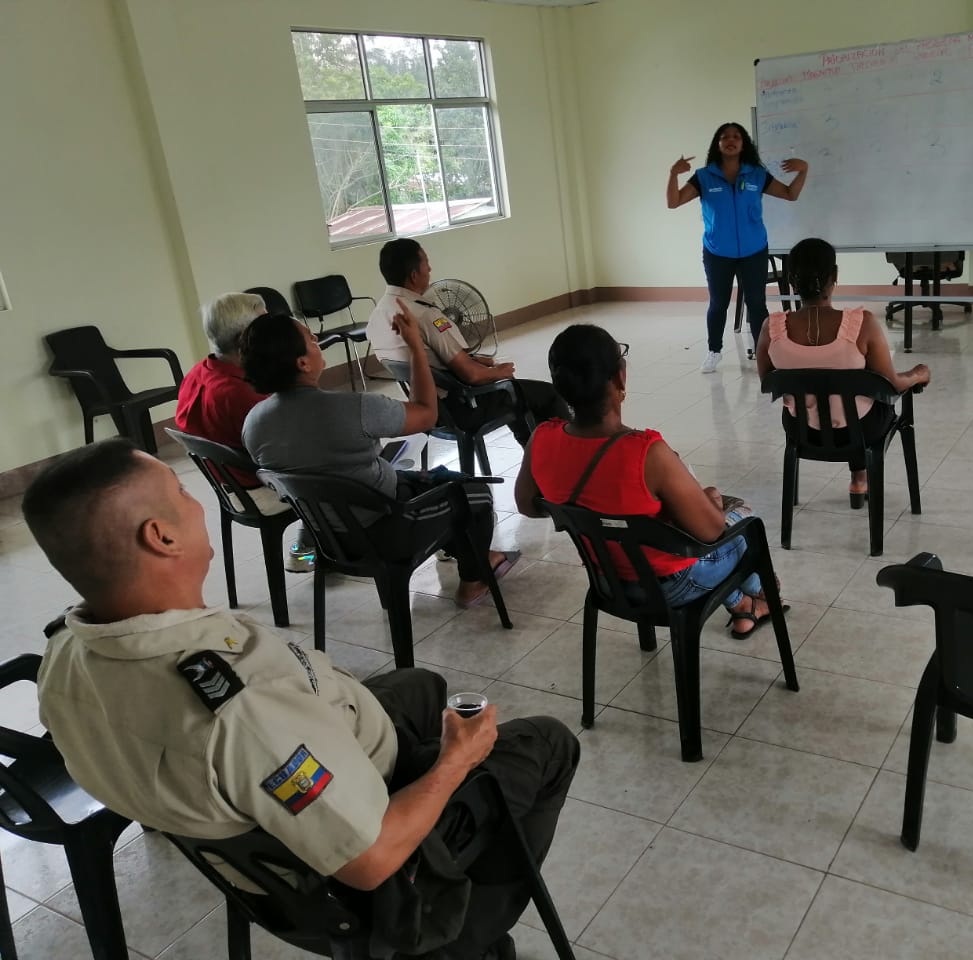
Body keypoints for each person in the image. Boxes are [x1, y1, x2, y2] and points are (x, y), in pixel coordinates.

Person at [26, 439, 578, 960]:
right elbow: (369, 860)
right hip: (356, 862)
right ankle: (470, 927)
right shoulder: (243, 708)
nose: (196, 502)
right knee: (547, 744)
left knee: (421, 686)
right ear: (161, 537)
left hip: (284, 777)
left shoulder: (65, 652)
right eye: (182, 490)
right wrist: (455, 761)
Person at [514, 324, 786, 639]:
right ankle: (766, 594)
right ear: (620, 377)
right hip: (671, 587)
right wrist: (711, 500)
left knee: (685, 520)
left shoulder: (541, 439)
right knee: (743, 518)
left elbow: (527, 505)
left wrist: (587, 512)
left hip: (607, 581)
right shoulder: (647, 454)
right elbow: (711, 533)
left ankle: (743, 606)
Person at [240, 310, 517, 609]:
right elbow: (426, 414)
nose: (317, 338)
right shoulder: (353, 408)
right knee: (474, 493)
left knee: (437, 480)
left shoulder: (253, 424)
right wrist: (415, 347)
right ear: (302, 363)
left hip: (324, 537)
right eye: (311, 339)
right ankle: (472, 583)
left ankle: (478, 555)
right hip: (385, 529)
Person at [756, 238, 930, 508]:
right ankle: (859, 478)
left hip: (802, 431)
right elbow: (891, 384)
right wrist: (918, 374)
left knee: (845, 396)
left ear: (791, 280)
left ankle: (859, 479)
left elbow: (768, 381)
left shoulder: (772, 328)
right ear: (835, 275)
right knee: (868, 398)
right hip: (862, 430)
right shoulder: (862, 324)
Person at [365, 238, 569, 446]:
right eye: (426, 263)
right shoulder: (424, 315)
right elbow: (471, 375)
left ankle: (535, 451)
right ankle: (560, 453)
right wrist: (499, 372)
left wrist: (473, 359)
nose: (430, 269)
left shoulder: (376, 318)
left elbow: (430, 360)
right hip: (462, 407)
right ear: (414, 275)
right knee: (545, 394)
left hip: (425, 410)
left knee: (512, 390)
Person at [175, 291, 315, 572]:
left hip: (231, 483)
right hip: (256, 487)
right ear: (244, 339)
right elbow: (292, 453)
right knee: (339, 473)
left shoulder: (200, 372)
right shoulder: (240, 392)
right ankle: (308, 552)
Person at [666, 122, 809, 373]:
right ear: (718, 144)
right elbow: (673, 202)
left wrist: (803, 170)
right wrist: (673, 174)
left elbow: (790, 194)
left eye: (736, 137)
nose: (731, 140)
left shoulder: (757, 175)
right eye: (725, 137)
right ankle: (714, 351)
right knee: (718, 303)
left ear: (744, 144)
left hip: (754, 250)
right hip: (717, 251)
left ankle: (765, 352)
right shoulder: (704, 176)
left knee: (756, 303)